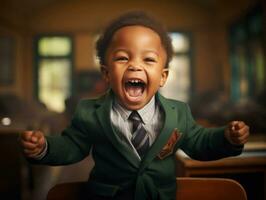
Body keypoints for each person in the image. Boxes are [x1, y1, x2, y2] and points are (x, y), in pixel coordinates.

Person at [20, 11, 250, 200]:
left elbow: (200, 143)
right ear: (106, 73)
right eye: (122, 58)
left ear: (163, 76)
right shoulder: (89, 111)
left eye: (148, 59)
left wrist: (227, 139)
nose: (135, 66)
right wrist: (44, 148)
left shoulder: (178, 113)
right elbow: (72, 146)